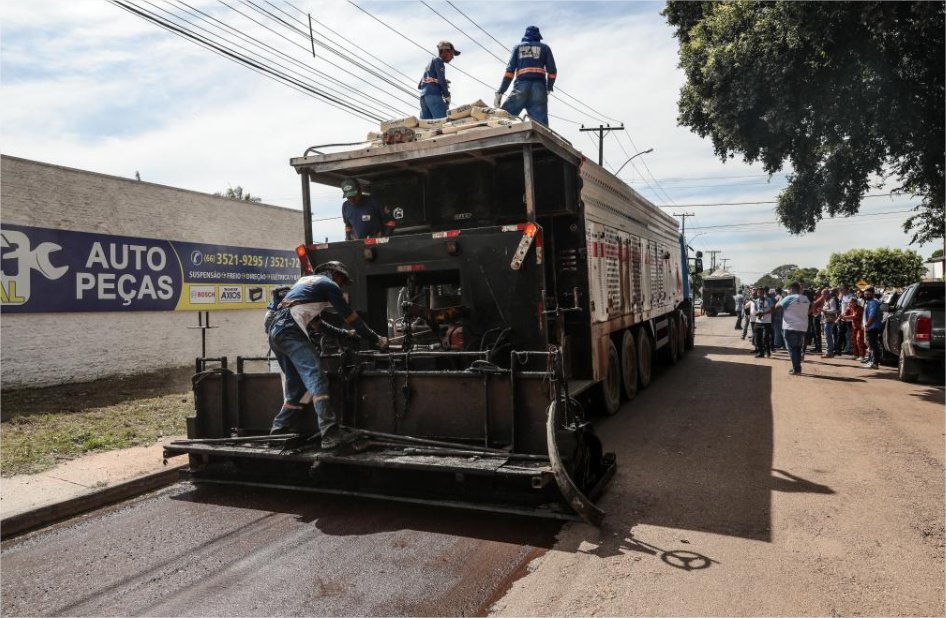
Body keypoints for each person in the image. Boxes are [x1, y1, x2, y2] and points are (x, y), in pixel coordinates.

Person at [267, 261, 389, 447]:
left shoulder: (304, 284)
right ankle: (330, 432)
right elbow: (350, 317)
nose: (341, 285)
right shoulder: (328, 285)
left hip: (275, 332)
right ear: (334, 274)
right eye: (341, 280)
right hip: (291, 331)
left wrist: (346, 335)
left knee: (297, 387)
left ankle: (278, 431)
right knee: (317, 377)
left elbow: (319, 325)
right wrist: (375, 339)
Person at [494, 26, 556, 127]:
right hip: (539, 90)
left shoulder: (518, 48)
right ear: (538, 37)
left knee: (502, 120)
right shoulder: (545, 48)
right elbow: (552, 71)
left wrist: (500, 91)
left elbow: (509, 72)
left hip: (521, 89)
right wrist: (549, 87)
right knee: (541, 127)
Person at [418, 41, 460, 120]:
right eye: (451, 54)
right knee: (442, 123)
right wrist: (447, 95)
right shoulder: (439, 61)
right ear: (444, 51)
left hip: (423, 98)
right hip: (434, 96)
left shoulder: (429, 65)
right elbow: (441, 81)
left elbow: (420, 86)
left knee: (426, 126)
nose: (452, 57)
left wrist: (435, 80)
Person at [780, 282, 811, 375]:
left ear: (792, 289)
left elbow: (777, 307)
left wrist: (781, 300)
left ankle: (796, 369)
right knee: (797, 348)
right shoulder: (806, 299)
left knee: (792, 349)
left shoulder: (789, 298)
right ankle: (797, 367)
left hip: (790, 327)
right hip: (802, 327)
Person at [862, 286, 883, 370]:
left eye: (867, 294)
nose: (865, 295)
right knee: (870, 345)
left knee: (873, 345)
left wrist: (867, 325)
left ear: (872, 293)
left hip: (873, 327)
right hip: (870, 326)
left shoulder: (873, 302)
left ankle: (875, 363)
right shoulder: (869, 302)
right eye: (865, 294)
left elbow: (872, 315)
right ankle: (871, 361)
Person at [753, 287, 774, 358]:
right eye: (759, 293)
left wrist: (764, 313)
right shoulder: (756, 301)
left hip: (766, 322)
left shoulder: (769, 300)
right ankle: (761, 353)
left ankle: (768, 352)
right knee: (757, 338)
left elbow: (773, 309)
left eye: (761, 292)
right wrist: (756, 313)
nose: (760, 294)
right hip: (758, 321)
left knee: (765, 338)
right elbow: (755, 310)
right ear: (757, 293)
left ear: (764, 293)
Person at [820, 287, 839, 358]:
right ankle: (828, 351)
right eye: (822, 294)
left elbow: (835, 310)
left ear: (827, 294)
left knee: (828, 336)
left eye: (823, 294)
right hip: (826, 319)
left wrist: (825, 311)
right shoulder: (827, 300)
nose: (822, 296)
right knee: (827, 336)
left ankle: (829, 352)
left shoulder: (832, 300)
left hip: (829, 320)